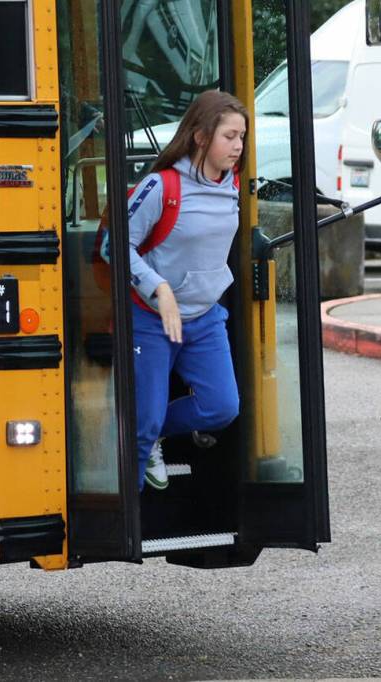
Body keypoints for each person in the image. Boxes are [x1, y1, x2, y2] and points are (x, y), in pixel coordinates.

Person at [128, 90, 247, 491]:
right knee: (142, 423)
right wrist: (158, 288)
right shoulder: (161, 186)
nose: (238, 146)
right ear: (200, 136)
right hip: (151, 318)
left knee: (221, 407)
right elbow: (115, 245)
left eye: (242, 137)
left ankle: (150, 433)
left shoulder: (233, 186)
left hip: (204, 317)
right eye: (229, 136)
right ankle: (129, 526)